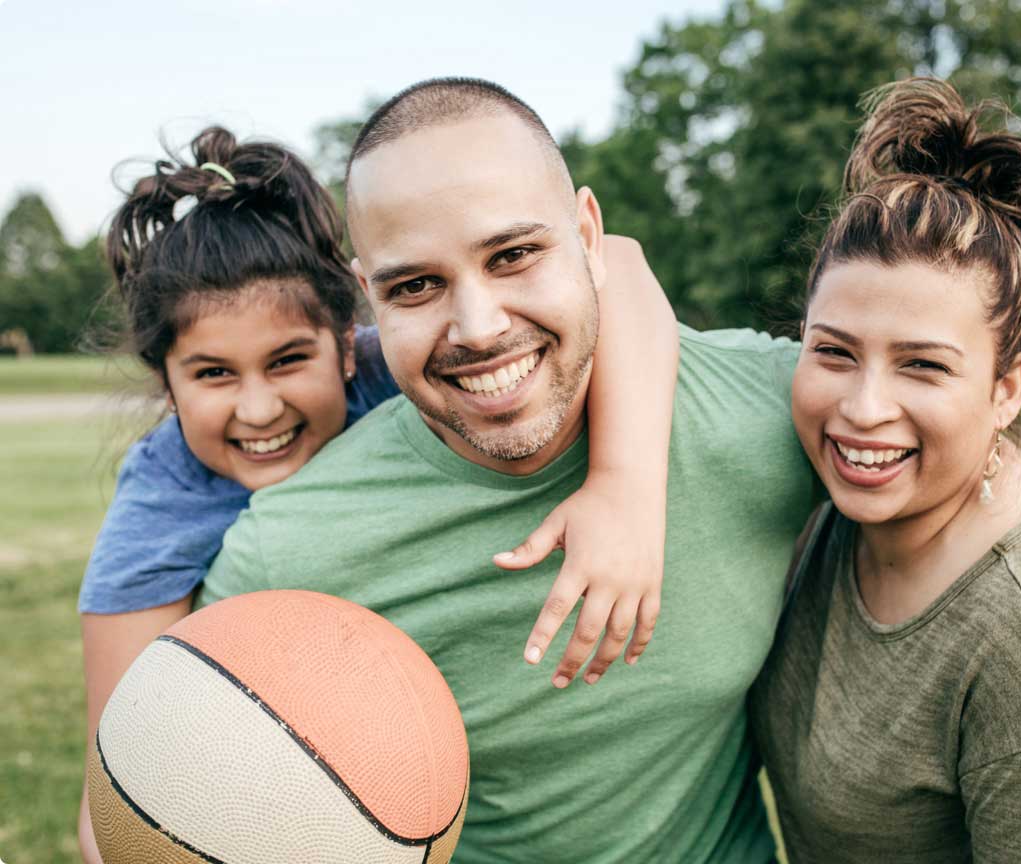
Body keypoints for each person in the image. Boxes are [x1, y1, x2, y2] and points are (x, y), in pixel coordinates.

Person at [199, 77, 816, 863]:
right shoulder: (292, 549)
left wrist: (631, 485)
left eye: (515, 254)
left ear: (590, 237)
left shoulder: (771, 410)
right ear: (367, 297)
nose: (479, 327)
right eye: (415, 285)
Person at [78, 125, 680, 862]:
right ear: (165, 381)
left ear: (345, 339)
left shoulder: (404, 365)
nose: (259, 408)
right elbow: (114, 784)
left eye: (289, 360)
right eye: (212, 374)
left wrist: (627, 487)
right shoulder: (158, 507)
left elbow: (617, 259)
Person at [750, 78, 1021, 862]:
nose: (863, 409)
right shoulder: (830, 502)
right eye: (834, 351)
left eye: (923, 366)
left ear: (1006, 387)